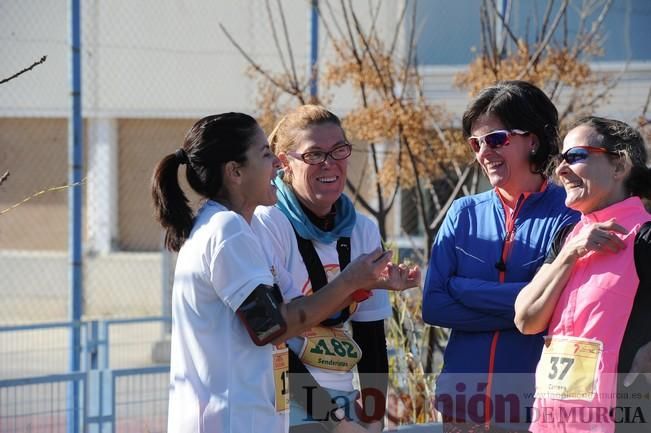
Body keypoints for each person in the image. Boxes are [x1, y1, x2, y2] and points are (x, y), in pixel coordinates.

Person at [151, 113, 418, 433]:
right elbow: (271, 328)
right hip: (230, 421)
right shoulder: (227, 229)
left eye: (339, 151)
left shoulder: (233, 228)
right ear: (235, 172)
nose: (276, 165)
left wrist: (365, 285)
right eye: (266, 155)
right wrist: (351, 280)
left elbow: (299, 309)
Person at [421, 80, 579, 433]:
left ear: (533, 140)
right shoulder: (462, 213)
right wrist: (527, 307)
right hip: (462, 405)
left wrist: (464, 289)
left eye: (496, 139)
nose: (483, 152)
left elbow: (560, 310)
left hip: (534, 407)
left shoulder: (570, 215)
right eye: (476, 143)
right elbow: (433, 306)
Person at [255, 105, 419, 433]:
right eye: (314, 154)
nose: (329, 163)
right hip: (282, 402)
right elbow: (272, 337)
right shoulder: (267, 222)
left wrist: (372, 419)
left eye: (338, 150)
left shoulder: (363, 230)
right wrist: (335, 423)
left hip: (342, 398)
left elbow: (372, 339)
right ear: (284, 162)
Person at [514, 116, 651, 433]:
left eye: (575, 156)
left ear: (619, 166)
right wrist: (570, 253)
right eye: (560, 159)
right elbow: (526, 318)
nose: (561, 169)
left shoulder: (644, 237)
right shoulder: (567, 238)